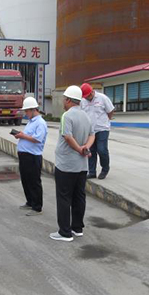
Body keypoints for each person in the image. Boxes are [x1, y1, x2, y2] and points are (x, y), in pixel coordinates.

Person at [50, 86, 95, 242]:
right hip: (82, 166)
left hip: (66, 165)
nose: (63, 102)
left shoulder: (67, 116)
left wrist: (79, 149)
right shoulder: (86, 116)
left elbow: (68, 137)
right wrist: (85, 148)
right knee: (79, 196)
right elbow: (92, 135)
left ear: (68, 100)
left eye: (64, 99)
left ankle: (65, 232)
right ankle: (77, 228)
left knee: (64, 197)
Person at [15, 97, 48, 215]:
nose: (26, 113)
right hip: (25, 156)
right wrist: (21, 135)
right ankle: (30, 201)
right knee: (26, 180)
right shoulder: (31, 122)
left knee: (34, 181)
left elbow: (38, 139)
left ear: (34, 110)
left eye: (27, 111)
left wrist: (22, 136)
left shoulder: (40, 123)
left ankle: (37, 207)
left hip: (33, 156)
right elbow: (28, 136)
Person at [80, 83, 114, 180]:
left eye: (88, 96)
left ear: (92, 92)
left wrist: (106, 121)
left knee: (102, 150)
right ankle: (92, 172)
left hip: (102, 129)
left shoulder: (103, 98)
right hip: (90, 131)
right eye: (85, 97)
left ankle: (105, 169)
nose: (87, 98)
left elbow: (110, 111)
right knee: (91, 151)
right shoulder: (83, 101)